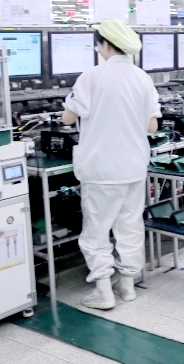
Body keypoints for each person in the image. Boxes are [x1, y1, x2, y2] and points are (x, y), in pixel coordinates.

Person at [62, 20, 160, 310]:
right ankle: (127, 284)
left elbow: (67, 119)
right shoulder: (142, 77)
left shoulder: (92, 76)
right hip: (134, 166)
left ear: (104, 44)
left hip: (102, 169)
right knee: (130, 226)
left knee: (96, 231)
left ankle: (103, 291)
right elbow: (152, 126)